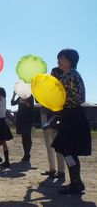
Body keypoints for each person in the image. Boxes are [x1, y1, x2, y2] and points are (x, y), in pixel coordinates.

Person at [51, 48, 91, 195]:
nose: (58, 61)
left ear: (69, 60)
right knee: (68, 151)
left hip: (71, 116)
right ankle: (76, 182)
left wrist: (57, 107)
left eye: (60, 58)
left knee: (69, 151)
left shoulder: (69, 75)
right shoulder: (70, 74)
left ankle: (76, 183)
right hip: (71, 115)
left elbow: (74, 98)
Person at [40, 67, 65, 179]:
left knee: (58, 147)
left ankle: (61, 171)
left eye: (52, 74)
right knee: (48, 146)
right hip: (45, 118)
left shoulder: (61, 89)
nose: (50, 76)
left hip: (54, 120)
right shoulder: (48, 88)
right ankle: (52, 169)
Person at [11, 92, 34, 162]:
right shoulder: (20, 96)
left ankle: (27, 154)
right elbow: (12, 103)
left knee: (27, 136)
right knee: (23, 137)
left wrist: (25, 102)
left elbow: (30, 106)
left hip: (27, 119)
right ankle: (26, 154)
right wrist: (14, 95)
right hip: (20, 119)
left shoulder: (30, 96)